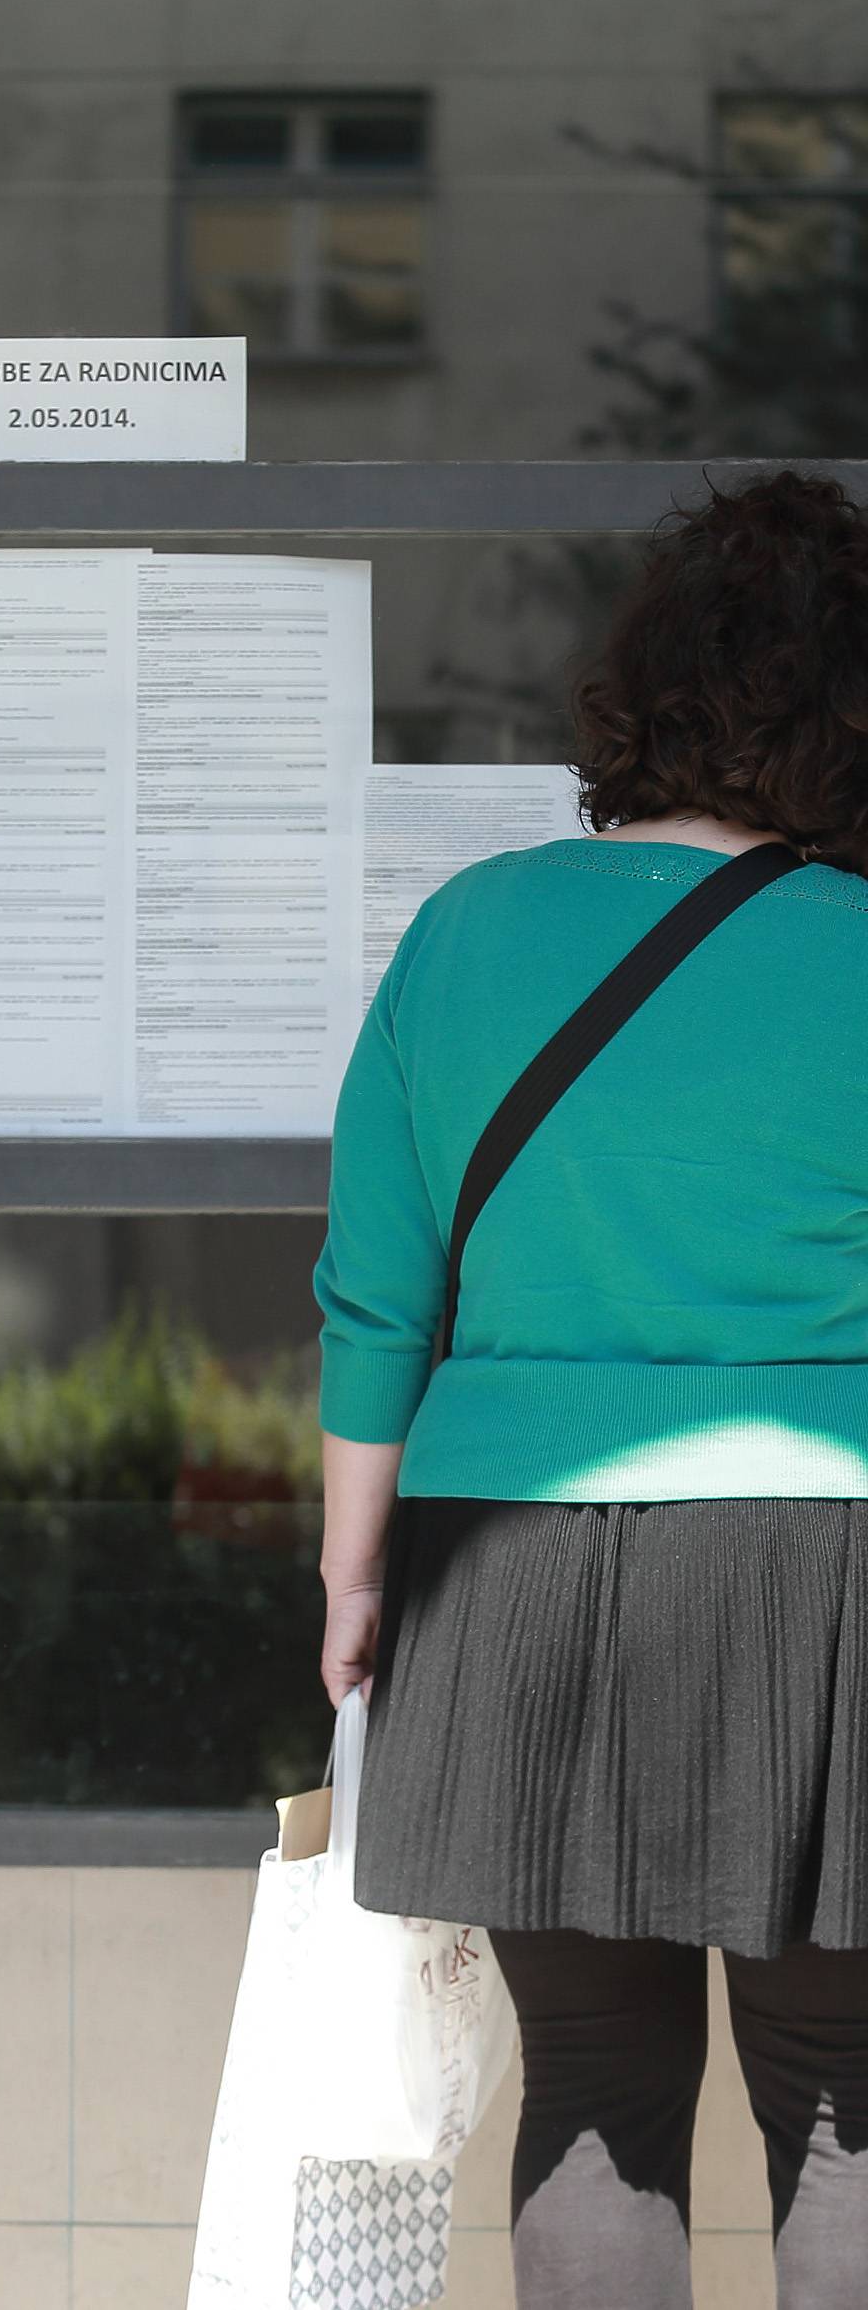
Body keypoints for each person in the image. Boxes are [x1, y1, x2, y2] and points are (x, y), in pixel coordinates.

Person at [315, 469, 868, 2309]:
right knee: (841, 2086)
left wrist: (352, 1578)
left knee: (597, 2091)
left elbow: (377, 1297)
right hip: (825, 1568)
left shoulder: (471, 930)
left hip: (507, 1569)